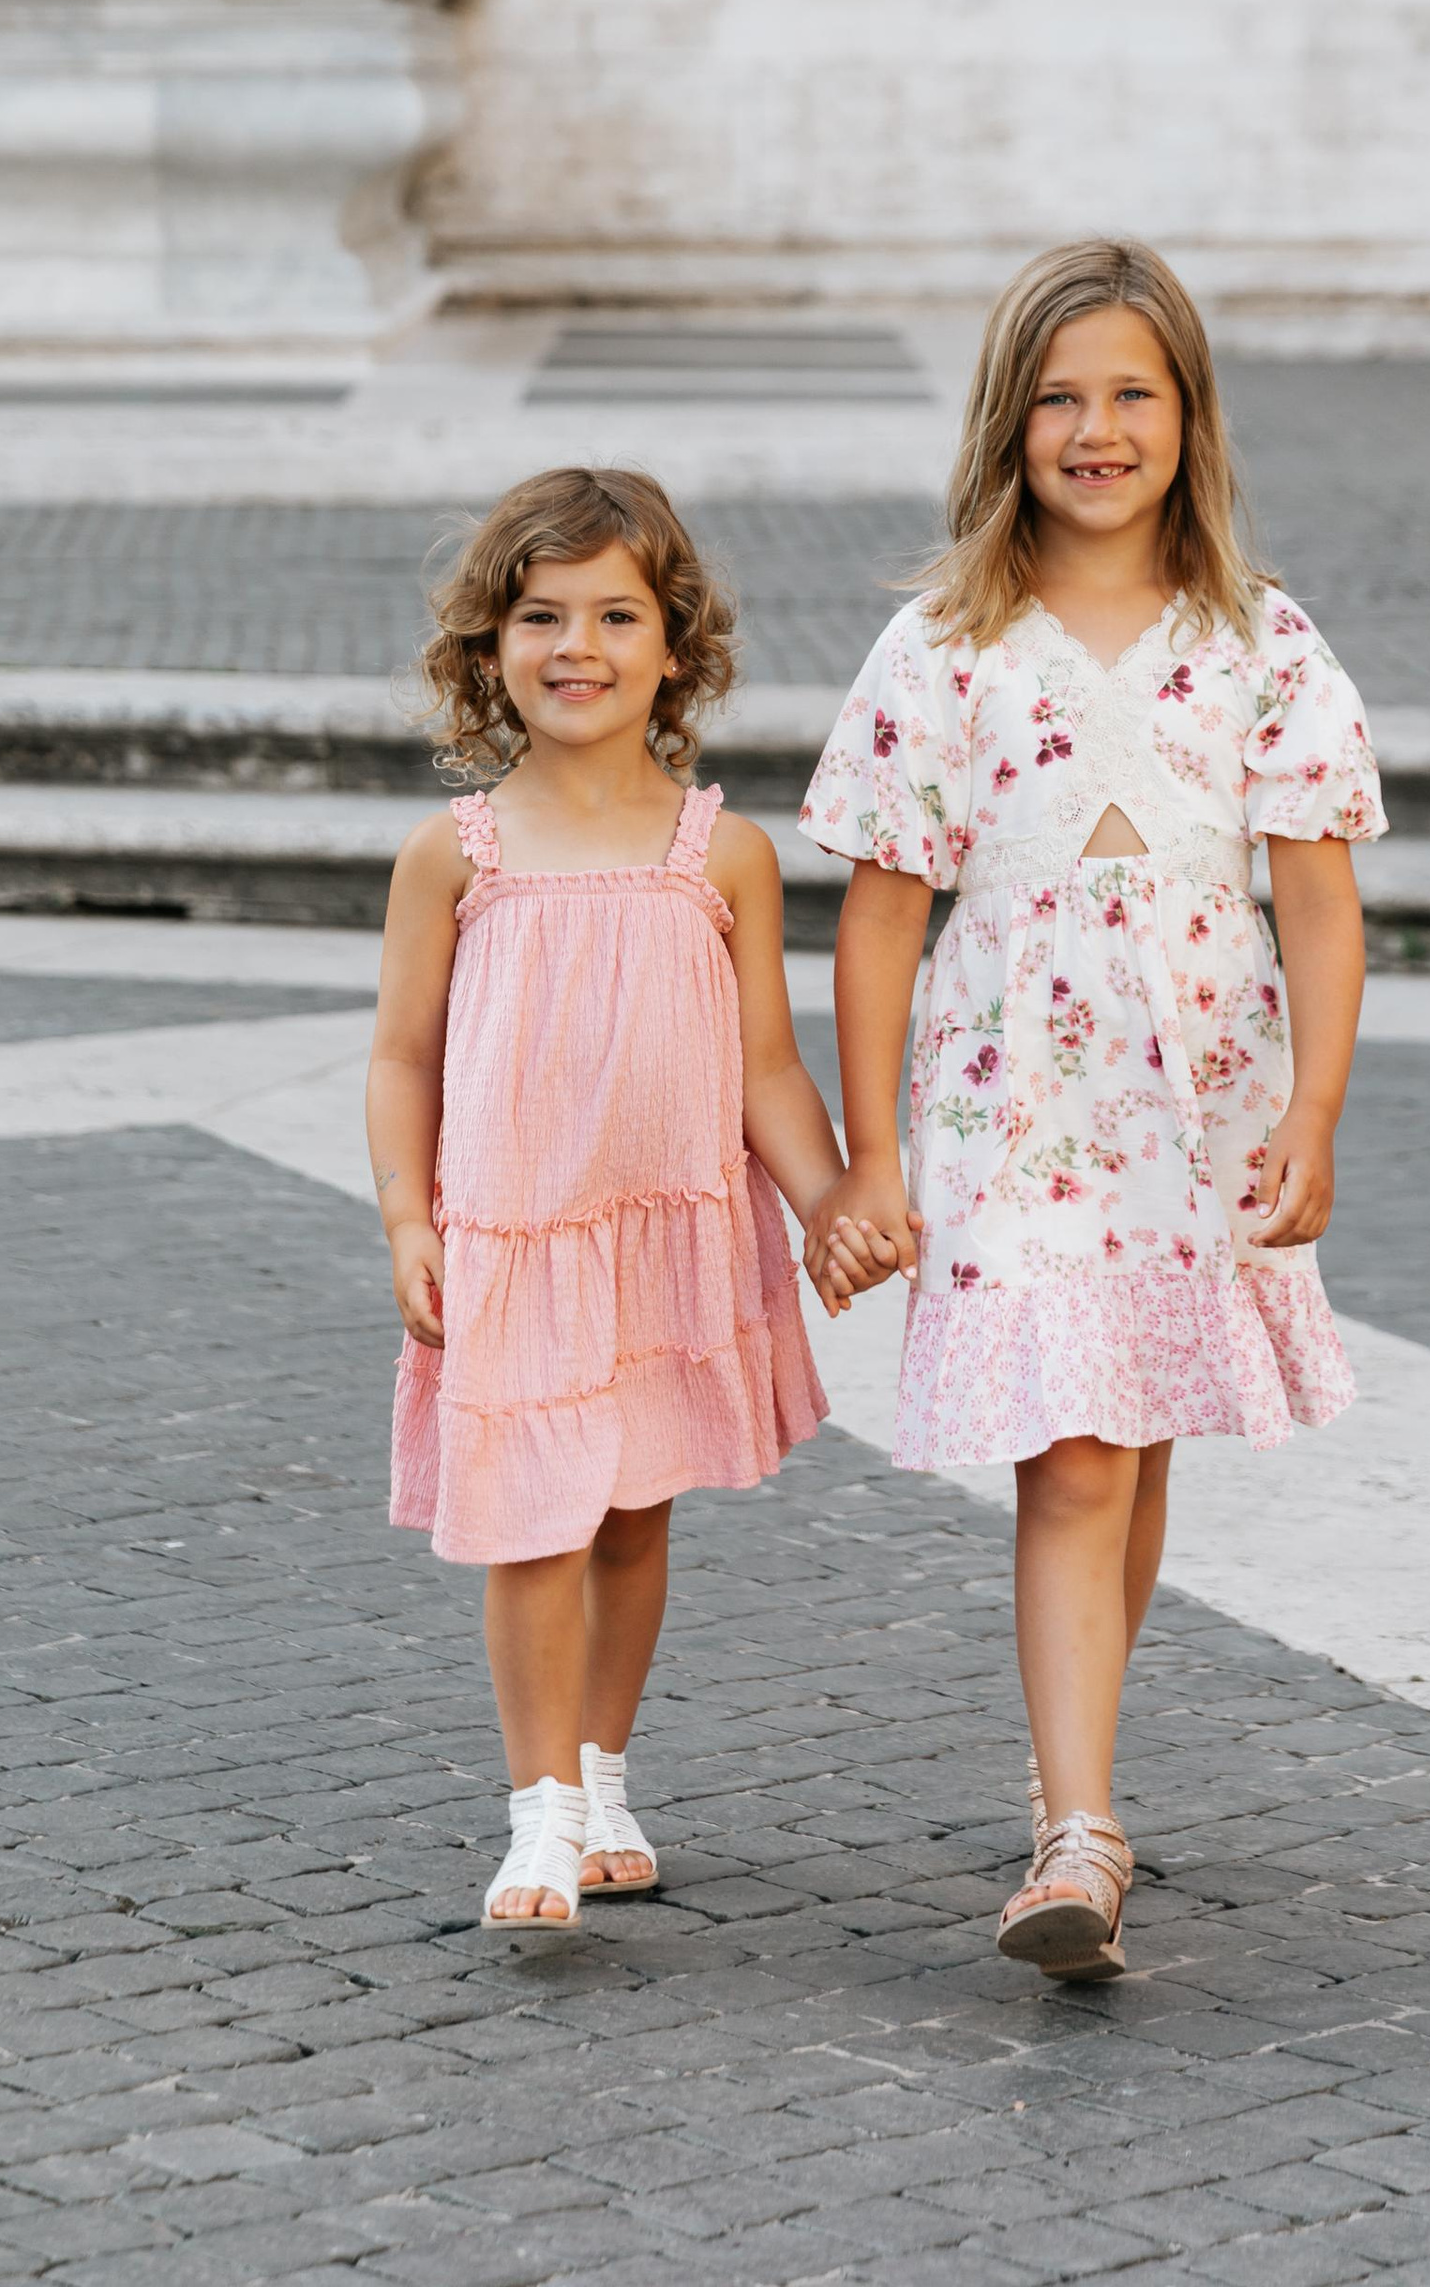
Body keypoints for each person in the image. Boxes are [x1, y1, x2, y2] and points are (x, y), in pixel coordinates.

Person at [801, 241, 1383, 1979]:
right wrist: (869, 1156)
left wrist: (1322, 1112)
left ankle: (1083, 1777)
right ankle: (1080, 1831)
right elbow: (885, 910)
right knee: (1071, 1457)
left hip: (1198, 1096)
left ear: (1190, 418)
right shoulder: (945, 644)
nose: (1097, 427)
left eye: (1133, 392)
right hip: (1016, 1099)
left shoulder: (1257, 636)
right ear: (1009, 424)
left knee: (1127, 1449)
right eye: (1060, 396)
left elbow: (1323, 898)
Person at [367, 465, 855, 1937]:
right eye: (540, 615)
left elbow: (769, 1063)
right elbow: (400, 1057)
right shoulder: (460, 851)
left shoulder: (725, 851)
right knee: (532, 1524)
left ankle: (603, 1771)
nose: (576, 645)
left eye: (614, 614)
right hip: (516, 1241)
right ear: (490, 649)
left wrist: (830, 1198)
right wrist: (407, 1216)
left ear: (673, 644)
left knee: (634, 1521)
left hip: (667, 1233)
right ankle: (538, 1817)